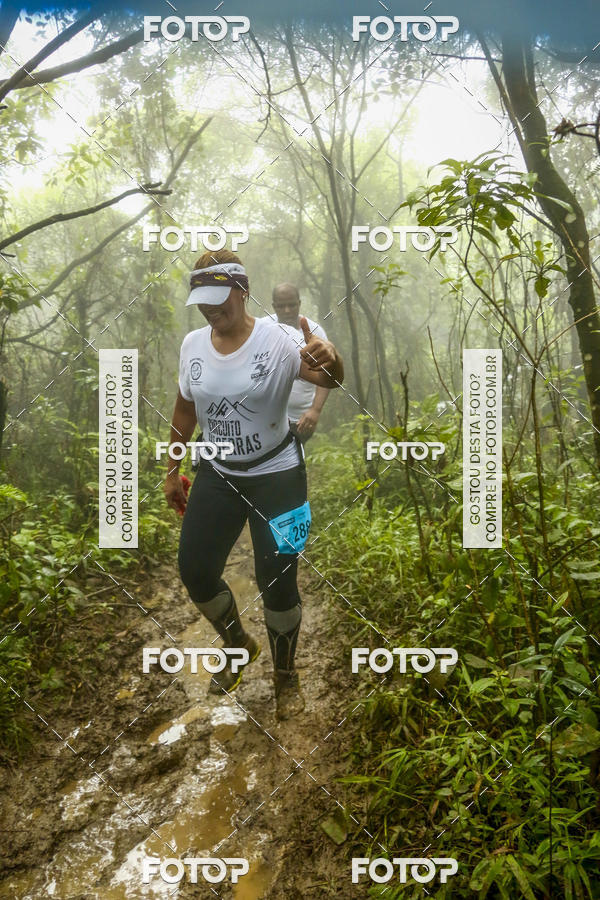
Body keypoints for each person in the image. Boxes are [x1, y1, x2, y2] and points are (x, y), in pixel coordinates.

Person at [164, 249, 344, 720]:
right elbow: (185, 409)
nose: (209, 308)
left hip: (279, 474)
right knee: (195, 571)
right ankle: (238, 644)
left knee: (278, 581)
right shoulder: (192, 346)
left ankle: (286, 677)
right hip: (218, 474)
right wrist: (171, 468)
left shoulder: (280, 340)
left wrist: (331, 358)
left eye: (218, 298)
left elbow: (329, 377)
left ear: (242, 292)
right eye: (201, 299)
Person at [270, 283, 330, 443]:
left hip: (300, 421)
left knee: (295, 463)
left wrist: (315, 410)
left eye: (292, 305)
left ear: (299, 303)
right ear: (274, 306)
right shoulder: (263, 328)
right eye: (281, 306)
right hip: (267, 419)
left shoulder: (315, 331)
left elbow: (327, 374)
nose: (287, 310)